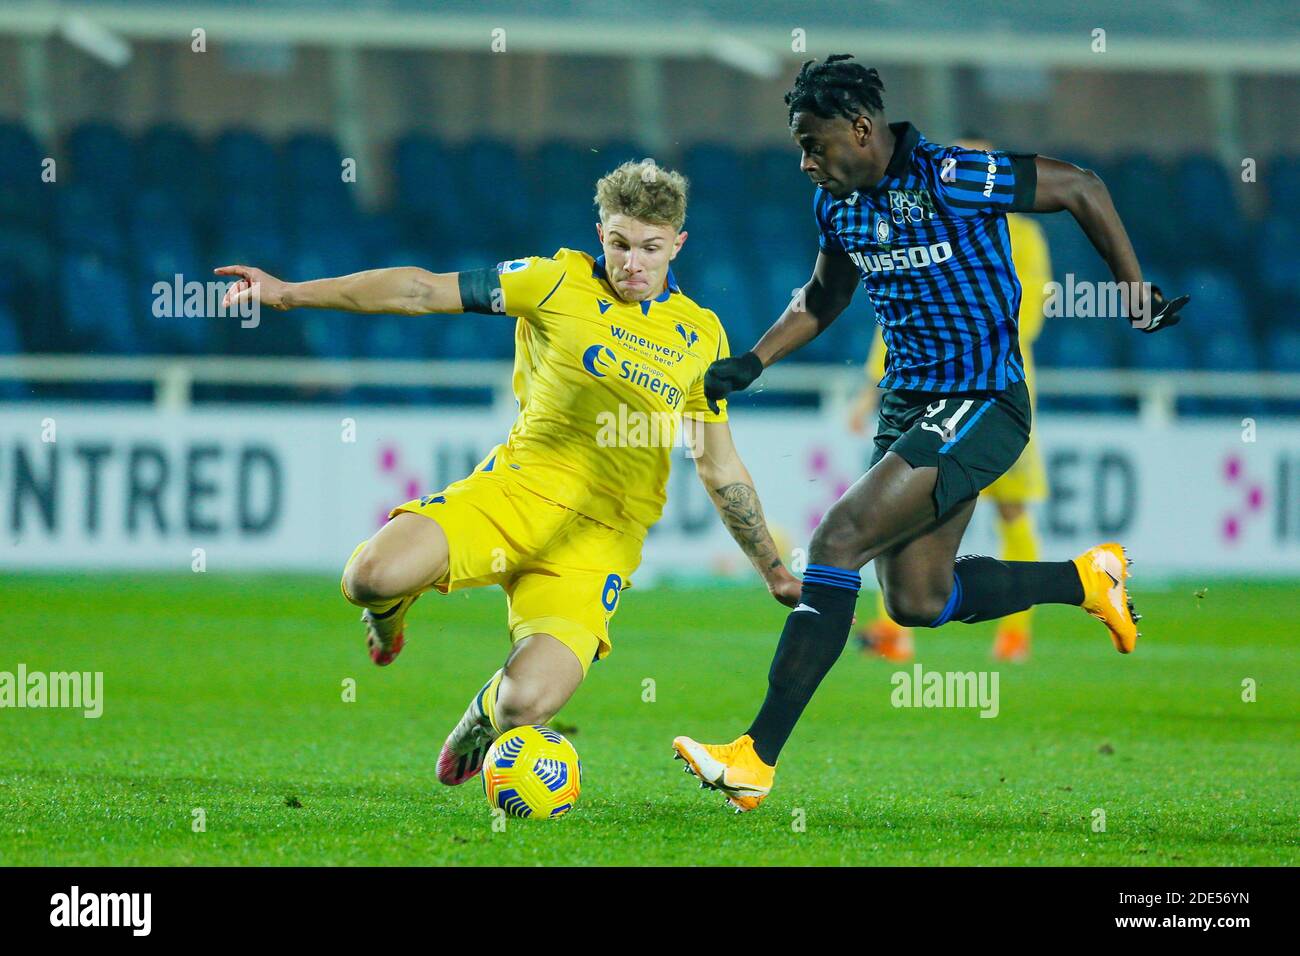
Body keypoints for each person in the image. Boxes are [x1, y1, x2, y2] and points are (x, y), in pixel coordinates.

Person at [671, 56, 1187, 812]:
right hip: (909, 410)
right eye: (799, 148)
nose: (806, 163)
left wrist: (1132, 288)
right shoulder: (839, 208)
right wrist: (754, 359)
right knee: (917, 599)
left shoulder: (953, 175)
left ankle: (755, 755)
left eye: (814, 145)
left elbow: (1081, 187)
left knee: (839, 539)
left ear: (861, 128)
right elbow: (821, 299)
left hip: (984, 401)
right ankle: (1086, 579)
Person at [215, 159, 800, 787]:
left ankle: (481, 716)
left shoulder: (701, 335)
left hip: (600, 539)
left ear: (677, 245)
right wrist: (288, 292)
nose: (632, 263)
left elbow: (717, 462)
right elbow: (420, 290)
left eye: (650, 249)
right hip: (517, 492)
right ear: (600, 232)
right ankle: (388, 613)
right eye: (619, 244)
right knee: (368, 577)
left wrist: (772, 569)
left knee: (526, 707)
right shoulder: (549, 281)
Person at [849, 135, 1053, 664]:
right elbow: (900, 311)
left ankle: (1015, 632)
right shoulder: (917, 221)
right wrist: (873, 385)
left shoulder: (1021, 231)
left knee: (1010, 511)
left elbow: (1026, 306)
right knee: (889, 508)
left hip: (991, 389)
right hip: (920, 393)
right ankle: (895, 631)